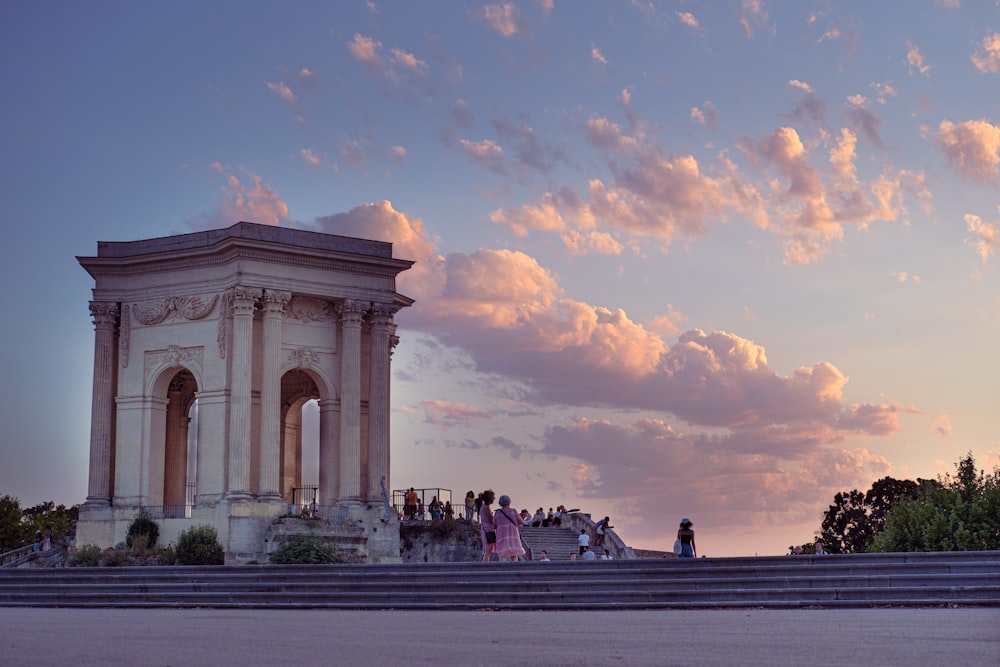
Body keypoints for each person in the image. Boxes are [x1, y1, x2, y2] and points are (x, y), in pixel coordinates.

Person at [493, 494, 526, 562]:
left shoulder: (497, 513)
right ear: (509, 502)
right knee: (514, 553)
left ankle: (502, 570)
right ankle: (514, 569)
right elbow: (521, 522)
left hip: (501, 535)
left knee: (502, 553)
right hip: (513, 535)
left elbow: (494, 525)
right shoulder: (513, 511)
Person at [479, 489, 497, 562]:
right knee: (488, 549)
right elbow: (491, 519)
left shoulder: (483, 506)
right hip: (488, 529)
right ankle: (485, 565)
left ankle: (485, 563)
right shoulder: (486, 508)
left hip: (485, 528)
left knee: (487, 549)